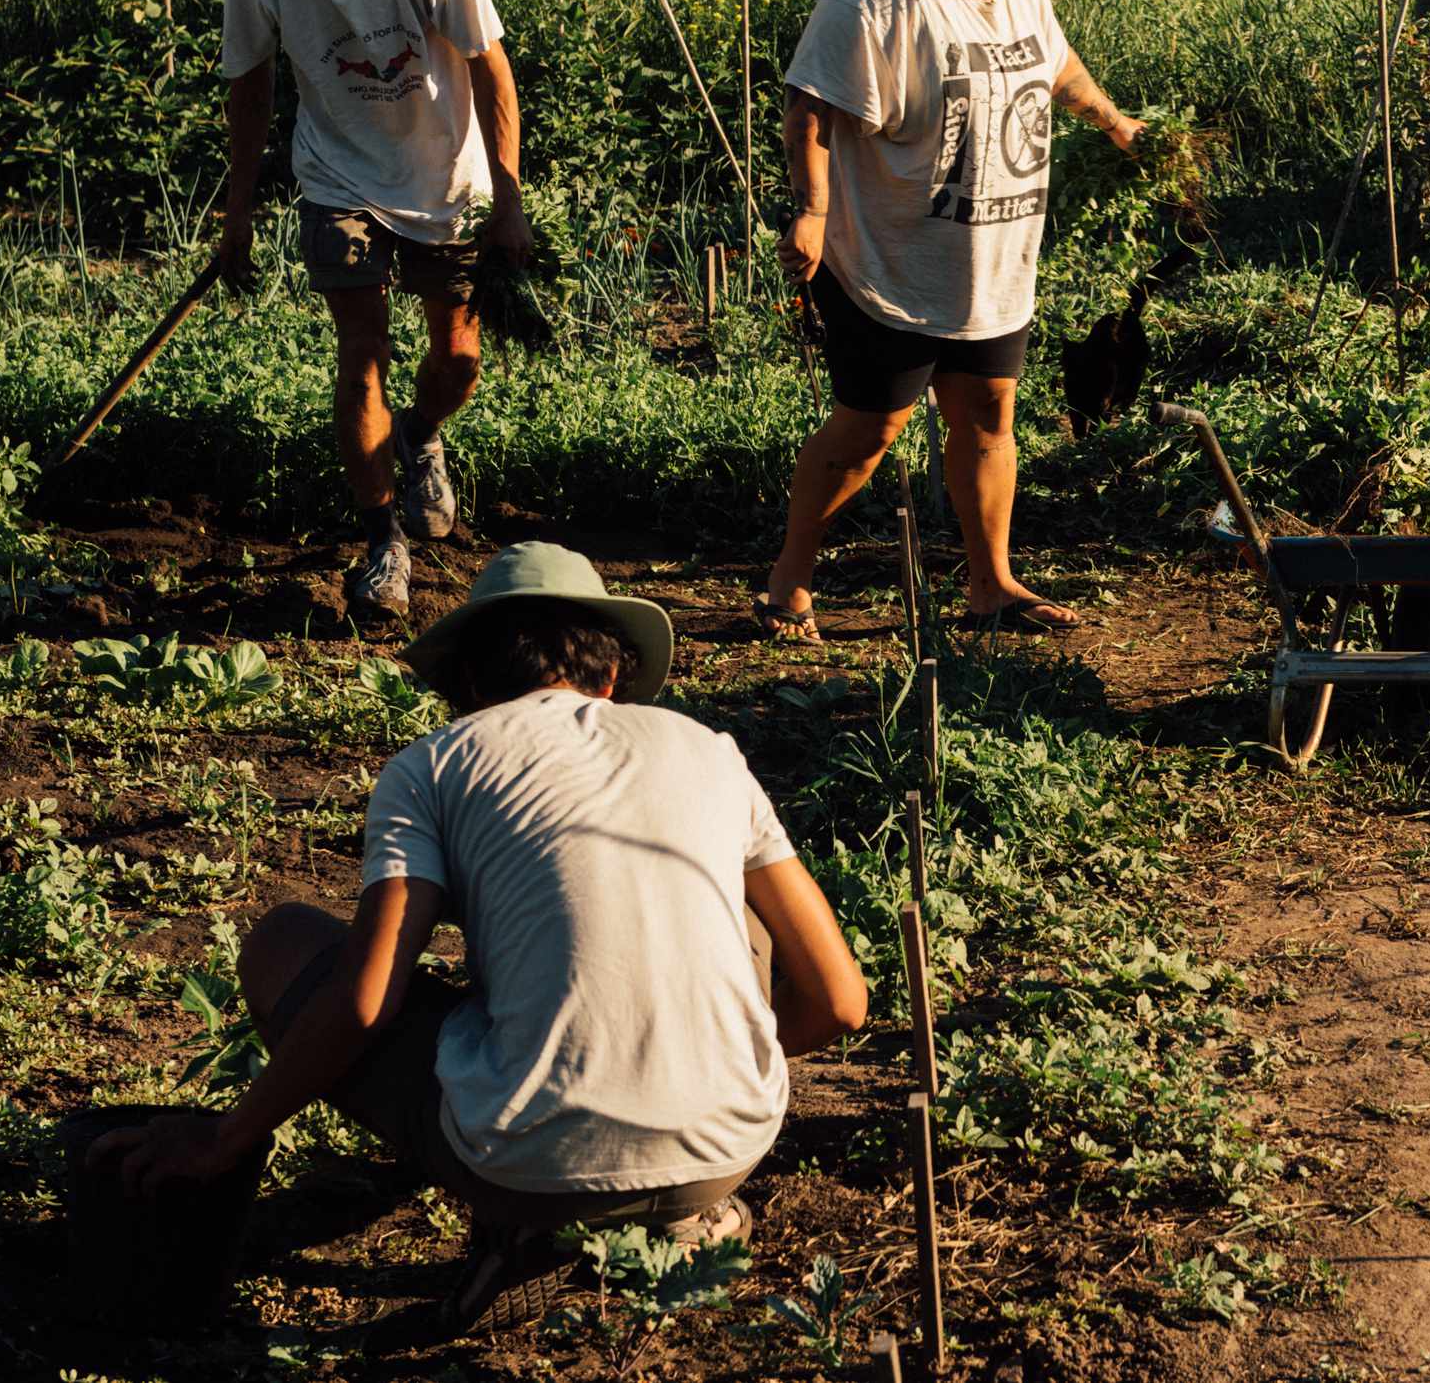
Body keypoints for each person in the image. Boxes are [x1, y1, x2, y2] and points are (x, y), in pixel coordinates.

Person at [92, 542, 869, 1335]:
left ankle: (534, 1217)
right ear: (611, 678)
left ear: (466, 684)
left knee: (285, 942)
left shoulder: (431, 766)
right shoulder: (708, 750)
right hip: (729, 1145)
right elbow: (841, 1002)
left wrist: (226, 1138)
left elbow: (364, 1004)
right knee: (738, 920)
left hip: (527, 1168)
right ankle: (671, 1214)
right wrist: (697, 1063)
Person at [756, 0, 1145, 642]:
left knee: (990, 417)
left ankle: (991, 584)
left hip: (994, 262)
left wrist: (1110, 120)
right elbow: (811, 108)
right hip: (892, 260)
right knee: (871, 430)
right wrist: (812, 211)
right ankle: (788, 582)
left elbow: (1055, 58)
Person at [211, 0, 529, 620]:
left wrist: (509, 200)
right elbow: (249, 91)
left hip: (443, 178)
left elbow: (491, 69)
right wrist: (236, 215)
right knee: (362, 357)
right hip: (338, 178)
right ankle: (384, 541)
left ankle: (421, 436)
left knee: (458, 358)